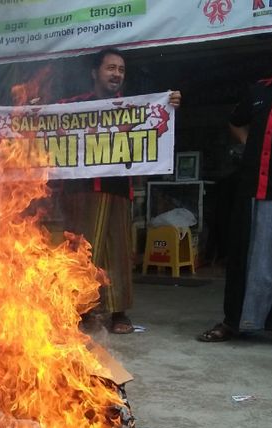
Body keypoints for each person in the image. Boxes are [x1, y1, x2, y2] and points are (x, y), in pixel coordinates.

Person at [58, 48, 181, 334]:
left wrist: (171, 102)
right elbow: (42, 121)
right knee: (82, 253)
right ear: (94, 73)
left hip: (117, 187)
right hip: (80, 189)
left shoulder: (133, 106)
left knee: (118, 250)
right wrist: (31, 108)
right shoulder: (72, 106)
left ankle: (118, 313)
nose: (116, 74)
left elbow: (157, 122)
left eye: (121, 70)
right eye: (110, 68)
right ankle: (82, 312)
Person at [198, 10, 272, 351]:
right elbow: (236, 122)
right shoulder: (258, 91)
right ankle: (233, 321)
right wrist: (247, 145)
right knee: (241, 256)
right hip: (250, 191)